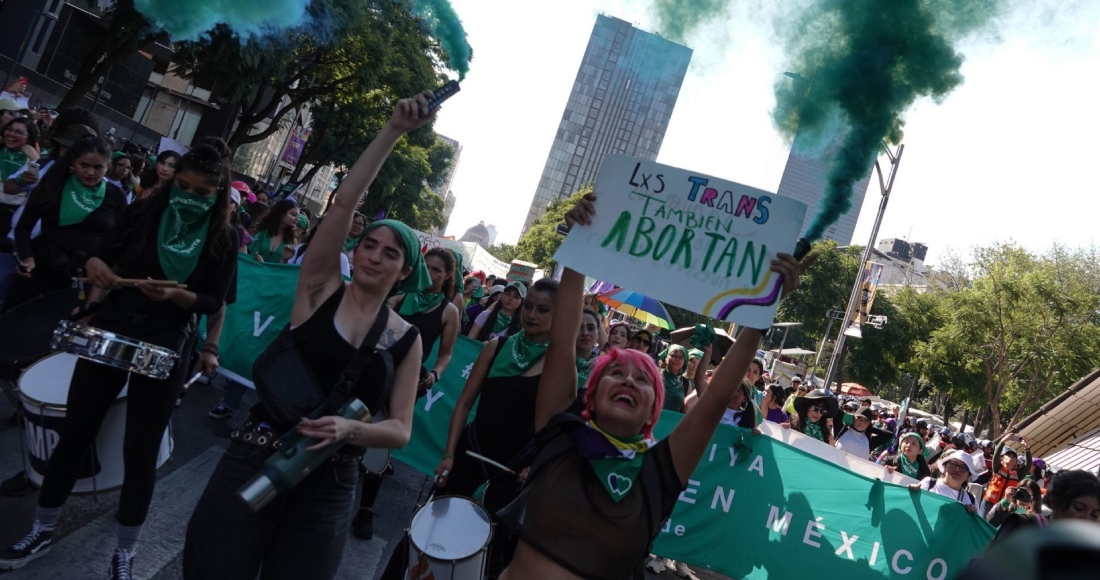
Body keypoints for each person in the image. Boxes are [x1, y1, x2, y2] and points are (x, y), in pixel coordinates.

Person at [491, 190, 809, 579]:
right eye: (616, 373)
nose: (628, 379)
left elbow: (714, 401)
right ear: (589, 394)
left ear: (653, 411)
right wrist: (578, 249)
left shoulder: (659, 471)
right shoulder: (559, 430)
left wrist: (764, 308)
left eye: (643, 379)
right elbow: (563, 339)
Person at [183, 91, 435, 580]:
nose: (374, 256)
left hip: (330, 483)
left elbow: (400, 429)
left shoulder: (406, 339)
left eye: (390, 253)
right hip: (257, 454)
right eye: (369, 245)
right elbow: (343, 205)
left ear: (405, 272)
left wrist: (351, 430)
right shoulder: (320, 289)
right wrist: (393, 131)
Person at [0, 142, 238, 577]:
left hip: (166, 338)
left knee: (141, 451)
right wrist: (93, 264)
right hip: (114, 326)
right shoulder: (143, 211)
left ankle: (125, 552)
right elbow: (102, 254)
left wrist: (177, 295)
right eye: (181, 185)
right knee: (76, 432)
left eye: (201, 193)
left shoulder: (224, 236)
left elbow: (212, 300)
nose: (187, 196)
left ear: (218, 194)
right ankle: (41, 528)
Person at [350, 247, 461, 539]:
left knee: (381, 439)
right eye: (427, 266)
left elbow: (447, 354)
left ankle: (365, 509)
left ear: (447, 275)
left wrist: (435, 374)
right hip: (373, 372)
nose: (432, 273)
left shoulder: (449, 311)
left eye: (438, 269)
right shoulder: (399, 295)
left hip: (407, 382)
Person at [14, 136, 127, 296]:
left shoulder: (116, 196)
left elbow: (118, 241)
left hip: (83, 283)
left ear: (108, 166)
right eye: (84, 165)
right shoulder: (54, 184)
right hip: (40, 272)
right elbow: (24, 227)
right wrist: (27, 257)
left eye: (98, 167)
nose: (90, 172)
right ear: (74, 161)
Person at [979, 434, 1032, 518]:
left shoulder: (1018, 474)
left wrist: (1026, 448)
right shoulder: (997, 468)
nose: (1011, 457)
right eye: (1008, 455)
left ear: (1016, 462)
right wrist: (1003, 441)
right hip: (988, 502)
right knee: (981, 522)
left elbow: (1028, 465)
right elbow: (996, 455)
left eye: (1014, 456)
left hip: (1003, 505)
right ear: (1002, 458)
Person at [911, 450, 979, 512]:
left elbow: (977, 525)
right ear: (945, 466)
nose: (957, 469)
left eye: (964, 467)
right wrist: (912, 493)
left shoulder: (971, 500)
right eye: (953, 464)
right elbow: (912, 507)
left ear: (968, 475)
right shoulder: (929, 483)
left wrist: (974, 516)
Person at [248, 198, 299, 263]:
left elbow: (282, 268)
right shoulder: (259, 230)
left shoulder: (292, 240)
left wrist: (284, 259)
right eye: (293, 215)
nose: (297, 219)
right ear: (281, 213)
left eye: (298, 216)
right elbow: (245, 254)